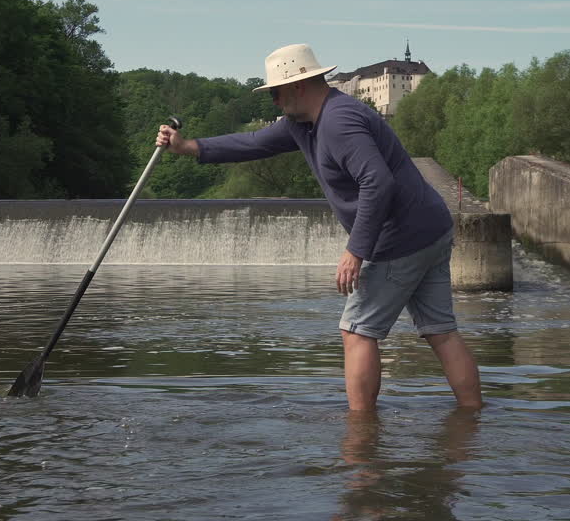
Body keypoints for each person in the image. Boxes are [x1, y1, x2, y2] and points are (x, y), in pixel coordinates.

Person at [155, 43, 482, 410]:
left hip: (399, 237)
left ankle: (360, 439)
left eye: (276, 93)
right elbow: (251, 143)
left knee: (356, 332)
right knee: (441, 332)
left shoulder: (338, 121)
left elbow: (377, 182)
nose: (274, 103)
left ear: (298, 86)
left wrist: (356, 250)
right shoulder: (304, 124)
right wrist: (189, 147)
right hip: (431, 228)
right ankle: (473, 419)